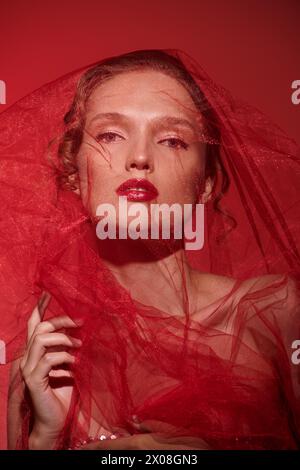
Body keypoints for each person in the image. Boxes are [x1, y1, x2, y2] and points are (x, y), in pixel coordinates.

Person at [2, 49, 300, 450]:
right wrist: (45, 440)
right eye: (110, 135)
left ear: (207, 183)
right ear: (73, 171)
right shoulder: (44, 361)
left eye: (172, 140)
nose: (140, 158)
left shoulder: (275, 313)